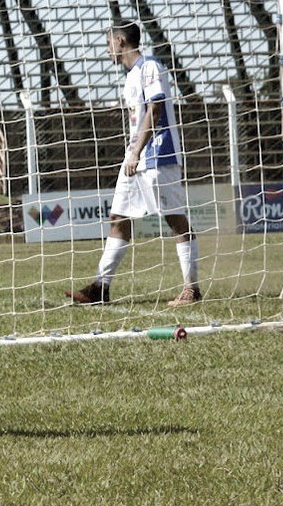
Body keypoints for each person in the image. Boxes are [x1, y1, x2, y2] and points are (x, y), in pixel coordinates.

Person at [66, 19, 201, 307]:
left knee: (174, 218)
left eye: (108, 44)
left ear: (120, 41)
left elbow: (156, 109)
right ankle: (101, 288)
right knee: (118, 218)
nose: (107, 51)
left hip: (157, 155)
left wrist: (137, 151)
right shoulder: (130, 76)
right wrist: (132, 153)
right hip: (135, 158)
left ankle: (191, 288)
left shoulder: (151, 67)